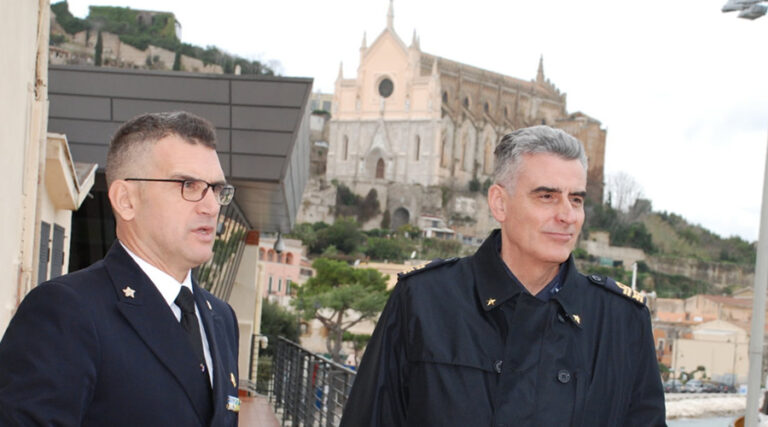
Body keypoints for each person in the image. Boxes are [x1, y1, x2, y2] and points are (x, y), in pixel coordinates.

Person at [340, 126, 666, 426]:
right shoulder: (423, 302)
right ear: (499, 203)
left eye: (576, 199)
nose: (567, 215)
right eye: (547, 196)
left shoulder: (622, 321)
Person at [0, 111, 241, 426]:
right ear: (126, 200)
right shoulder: (67, 311)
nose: (211, 207)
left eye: (215, 189)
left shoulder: (220, 317)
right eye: (188, 185)